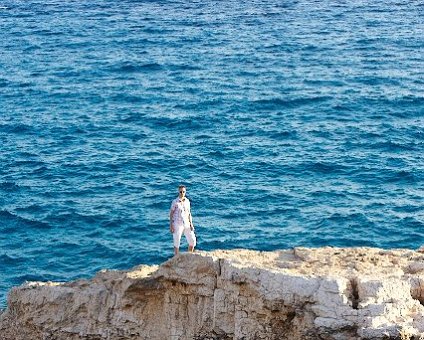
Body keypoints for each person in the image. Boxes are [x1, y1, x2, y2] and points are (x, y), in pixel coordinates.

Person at [169, 185, 196, 255]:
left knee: (192, 241)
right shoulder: (175, 202)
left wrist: (191, 224)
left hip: (186, 223)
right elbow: (171, 214)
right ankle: (176, 258)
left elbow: (189, 213)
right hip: (177, 224)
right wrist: (171, 225)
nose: (182, 193)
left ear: (185, 192)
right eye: (180, 192)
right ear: (178, 192)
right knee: (177, 242)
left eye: (183, 192)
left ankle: (189, 255)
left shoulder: (187, 201)